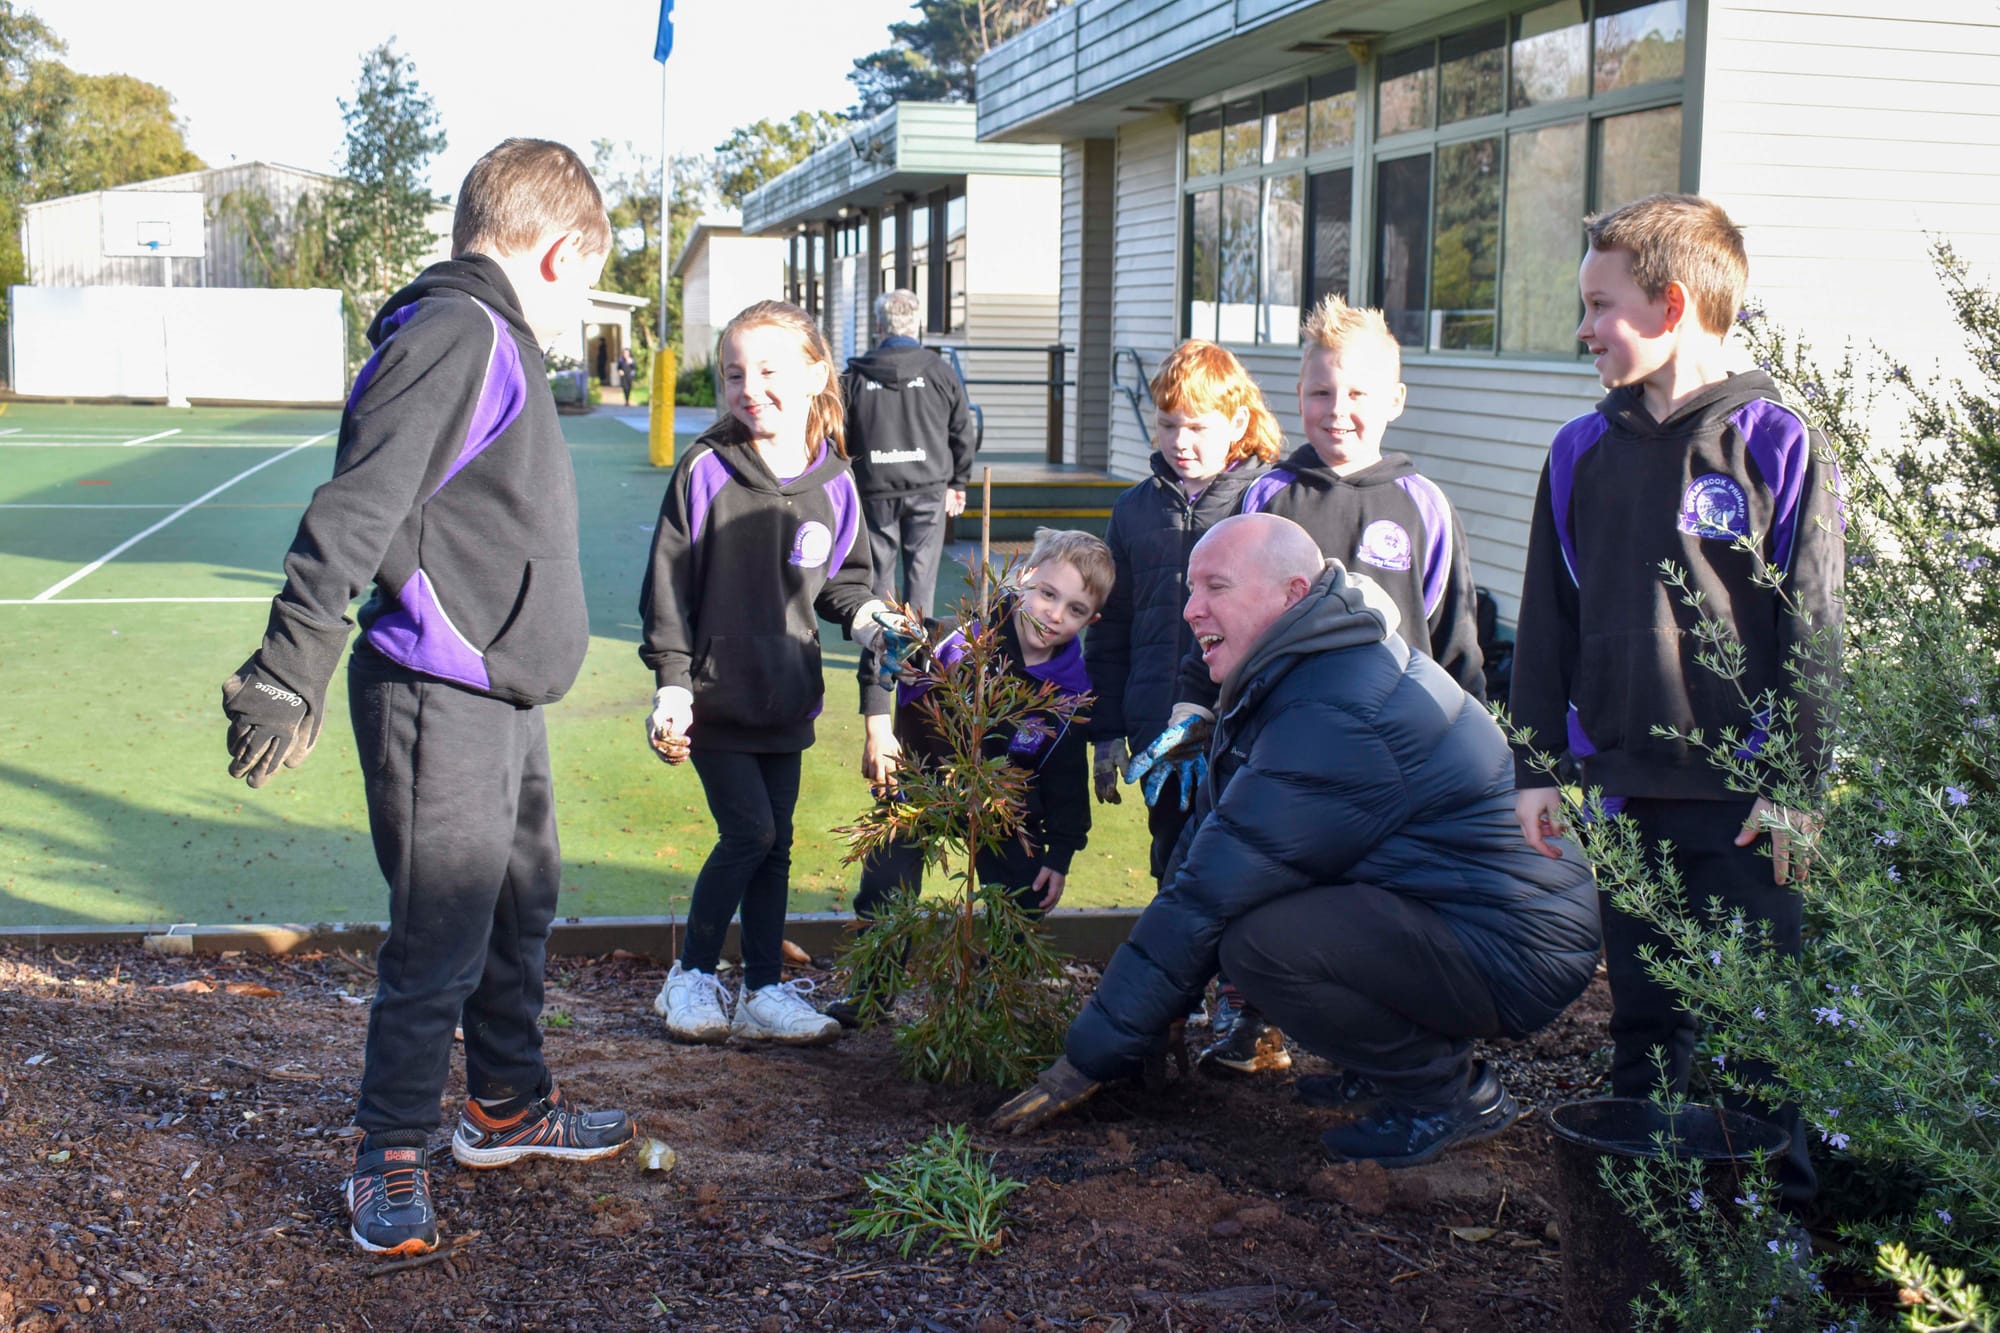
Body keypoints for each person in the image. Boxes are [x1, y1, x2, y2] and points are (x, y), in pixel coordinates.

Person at [218, 138, 635, 1259]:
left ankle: (506, 1105)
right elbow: (353, 509)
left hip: (501, 694)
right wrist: (284, 667)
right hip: (433, 690)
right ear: (559, 254)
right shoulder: (457, 334)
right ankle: (386, 1154)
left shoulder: (488, 336)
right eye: (589, 279)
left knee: (518, 900)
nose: (582, 301)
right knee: (441, 927)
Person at [990, 514, 1601, 1168]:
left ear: (1291, 593)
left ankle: (1444, 1094)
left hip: (1514, 944)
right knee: (1260, 916)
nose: (1192, 611)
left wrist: (1084, 1059)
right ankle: (1390, 1067)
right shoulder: (1309, 672)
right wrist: (1143, 1021)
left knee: (1260, 944)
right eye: (1191, 590)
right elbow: (1213, 840)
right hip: (1459, 909)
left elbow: (1209, 892)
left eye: (1215, 587)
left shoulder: (1335, 710)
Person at [1510, 193, 1844, 1206]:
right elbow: (1544, 618)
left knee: (1756, 1031)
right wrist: (1536, 767)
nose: (1581, 330)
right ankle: (1644, 1223)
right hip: (1621, 789)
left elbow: (1814, 632)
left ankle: (1764, 1241)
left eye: (1596, 306)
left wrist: (1795, 785)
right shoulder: (1578, 451)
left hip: (1745, 805)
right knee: (1646, 1021)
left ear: (1667, 306)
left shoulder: (1775, 441)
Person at [640, 299, 902, 1049]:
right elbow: (667, 588)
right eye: (733, 373)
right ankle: (689, 973)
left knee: (777, 841)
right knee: (748, 831)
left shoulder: (838, 481)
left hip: (788, 698)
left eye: (766, 369)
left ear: (817, 371)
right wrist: (672, 685)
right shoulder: (705, 468)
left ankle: (761, 988)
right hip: (713, 699)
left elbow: (843, 583)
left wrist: (864, 617)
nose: (749, 387)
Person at [845, 528, 1110, 952]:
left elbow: (1067, 779)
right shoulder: (957, 639)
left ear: (1091, 621)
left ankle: (997, 1004)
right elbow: (885, 653)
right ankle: (871, 990)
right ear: (1023, 579)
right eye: (1048, 594)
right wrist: (879, 728)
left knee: (1025, 896)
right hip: (922, 785)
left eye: (1075, 609)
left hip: (1002, 809)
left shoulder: (1070, 694)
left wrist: (1060, 854)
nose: (1056, 614)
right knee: (884, 884)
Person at [1086, 341, 1279, 882]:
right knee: (1171, 869)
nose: (1180, 442)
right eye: (1168, 425)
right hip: (1157, 731)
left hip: (1244, 730)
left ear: (1237, 420)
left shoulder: (1265, 501)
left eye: (1197, 427)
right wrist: (1105, 731)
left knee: (1244, 869)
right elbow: (1110, 628)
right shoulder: (1133, 509)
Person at [843, 288, 977, 763]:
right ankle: (914, 678)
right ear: (916, 324)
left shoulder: (854, 377)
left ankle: (883, 673)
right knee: (919, 589)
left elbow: (839, 431)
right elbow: (963, 428)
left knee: (879, 590)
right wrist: (958, 479)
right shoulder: (941, 372)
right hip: (927, 489)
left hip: (875, 490)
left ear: (881, 327)